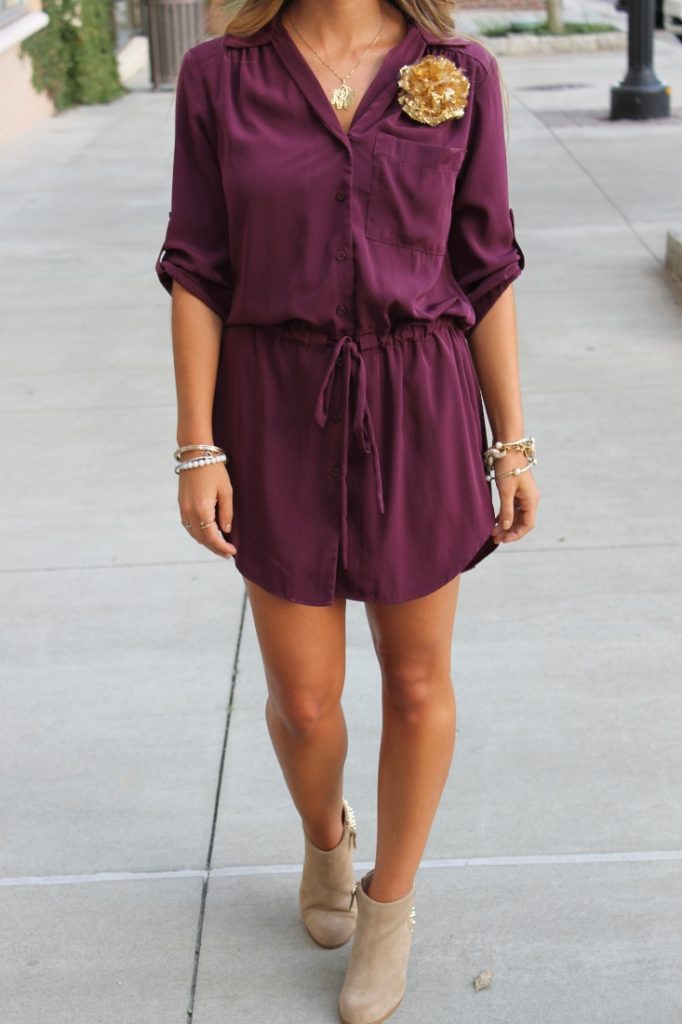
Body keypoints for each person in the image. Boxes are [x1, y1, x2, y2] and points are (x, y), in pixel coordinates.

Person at [155, 0, 540, 1020]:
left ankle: (388, 908)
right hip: (274, 403)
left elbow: (486, 264)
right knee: (305, 697)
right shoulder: (220, 77)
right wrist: (197, 445)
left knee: (415, 683)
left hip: (419, 400)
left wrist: (511, 441)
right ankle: (326, 840)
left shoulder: (459, 72)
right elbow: (196, 266)